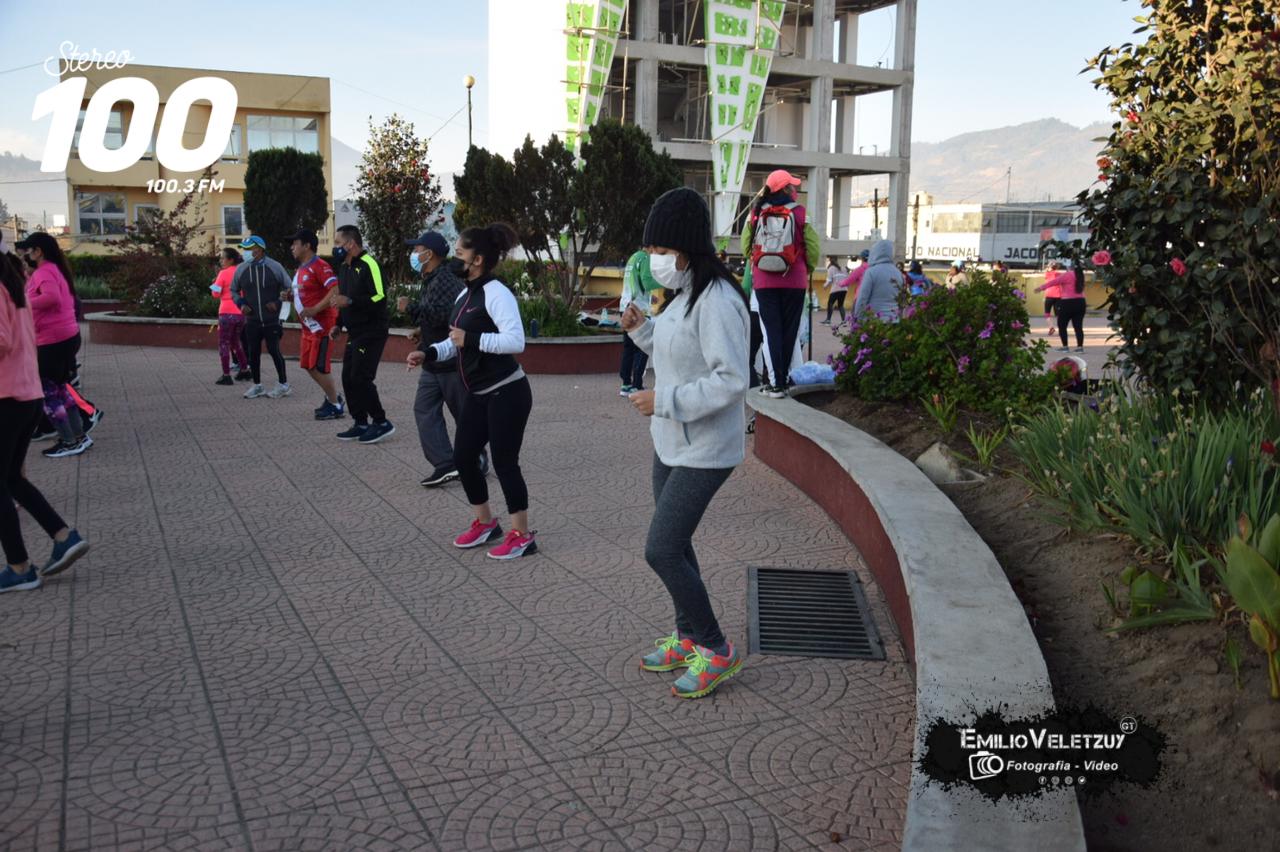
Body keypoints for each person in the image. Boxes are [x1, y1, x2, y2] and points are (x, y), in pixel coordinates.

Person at [620, 187, 749, 699]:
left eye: (659, 251)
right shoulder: (685, 293)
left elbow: (731, 380)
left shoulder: (718, 300)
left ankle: (716, 649)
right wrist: (642, 330)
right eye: (650, 252)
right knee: (677, 545)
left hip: (706, 448)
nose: (653, 261)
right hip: (670, 441)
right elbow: (677, 352)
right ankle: (688, 635)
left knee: (662, 549)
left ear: (686, 247)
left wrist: (664, 400)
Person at [408, 223, 536, 559]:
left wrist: (473, 339)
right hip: (479, 392)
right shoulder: (465, 295)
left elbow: (515, 342)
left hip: (508, 392)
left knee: (505, 463)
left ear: (477, 259)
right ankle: (486, 523)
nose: (455, 257)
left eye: (461, 252)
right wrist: (429, 352)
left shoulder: (497, 294)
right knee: (464, 457)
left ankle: (522, 535)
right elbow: (456, 340)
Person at [0, 251, 90, 593]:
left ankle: (19, 567)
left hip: (7, 396)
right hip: (26, 394)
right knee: (11, 479)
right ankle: (63, 536)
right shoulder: (14, 283)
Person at [741, 169, 821, 399]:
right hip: (794, 281)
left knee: (771, 332)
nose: (795, 189)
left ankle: (776, 383)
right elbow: (813, 249)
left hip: (764, 282)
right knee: (789, 330)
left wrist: (757, 264)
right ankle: (784, 381)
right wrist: (807, 269)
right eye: (792, 186)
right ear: (785, 189)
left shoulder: (756, 213)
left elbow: (747, 246)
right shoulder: (801, 213)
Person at [404, 230, 471, 486]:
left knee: (463, 415)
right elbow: (436, 317)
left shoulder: (446, 278)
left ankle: (477, 457)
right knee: (424, 409)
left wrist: (409, 307)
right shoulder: (431, 277)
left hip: (451, 362)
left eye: (417, 249)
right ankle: (445, 464)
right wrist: (422, 334)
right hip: (432, 360)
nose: (414, 254)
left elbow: (448, 315)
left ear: (429, 253)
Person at [16, 233, 91, 458]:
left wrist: (22, 303)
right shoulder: (53, 269)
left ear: (38, 251)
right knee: (59, 389)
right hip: (63, 337)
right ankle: (79, 437)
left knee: (49, 393)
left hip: (53, 341)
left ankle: (69, 440)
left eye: (28, 251)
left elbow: (52, 298)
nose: (25, 255)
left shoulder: (45, 271)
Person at [332, 226, 395, 444]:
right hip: (355, 331)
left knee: (361, 377)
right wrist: (338, 324)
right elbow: (343, 299)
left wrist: (350, 301)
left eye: (338, 243)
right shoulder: (344, 267)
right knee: (348, 377)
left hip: (372, 331)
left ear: (351, 244)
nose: (335, 247)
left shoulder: (370, 264)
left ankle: (381, 422)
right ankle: (360, 422)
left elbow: (380, 297)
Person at [286, 229, 345, 420]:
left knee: (319, 367)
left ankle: (335, 404)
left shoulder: (320, 265)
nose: (291, 247)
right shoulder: (301, 268)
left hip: (322, 327)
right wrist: (289, 296)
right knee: (308, 365)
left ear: (307, 246)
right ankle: (333, 398)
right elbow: (305, 292)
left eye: (295, 243)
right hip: (308, 329)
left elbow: (334, 290)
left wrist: (315, 309)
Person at [231, 235, 292, 399]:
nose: (246, 252)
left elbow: (289, 287)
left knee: (274, 351)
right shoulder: (241, 269)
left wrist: (278, 302)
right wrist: (241, 304)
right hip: (252, 320)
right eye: (244, 249)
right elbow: (233, 290)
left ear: (260, 249)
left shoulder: (275, 266)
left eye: (249, 249)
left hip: (272, 320)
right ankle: (257, 385)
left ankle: (284, 384)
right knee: (253, 352)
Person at [618, 249, 658, 395]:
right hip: (639, 310)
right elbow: (647, 282)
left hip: (625, 306)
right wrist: (664, 281)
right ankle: (637, 385)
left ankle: (625, 384)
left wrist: (649, 297)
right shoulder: (646, 258)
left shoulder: (633, 257)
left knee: (628, 348)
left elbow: (636, 282)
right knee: (642, 348)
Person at [211, 248, 250, 385]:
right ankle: (245, 369)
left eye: (223, 258)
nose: (221, 261)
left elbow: (215, 294)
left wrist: (215, 281)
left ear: (231, 260)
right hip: (240, 312)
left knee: (224, 344)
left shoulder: (223, 273)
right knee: (236, 342)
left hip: (226, 313)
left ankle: (226, 374)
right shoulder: (242, 272)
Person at [852, 239, 904, 322]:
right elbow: (902, 300)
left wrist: (858, 318)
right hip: (894, 321)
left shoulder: (871, 272)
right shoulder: (898, 273)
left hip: (875, 322)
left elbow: (862, 298)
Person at [1055, 261, 1087, 352]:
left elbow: (1054, 282)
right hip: (1081, 302)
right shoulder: (1081, 275)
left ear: (1069, 268)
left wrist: (1041, 288)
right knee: (1078, 327)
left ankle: (1065, 346)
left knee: (1062, 325)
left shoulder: (1067, 275)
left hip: (1067, 303)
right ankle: (1080, 347)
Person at [1034, 261, 1064, 336]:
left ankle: (1051, 327)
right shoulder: (1059, 274)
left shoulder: (1047, 274)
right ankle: (1061, 329)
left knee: (1047, 313)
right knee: (1059, 315)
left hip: (1049, 296)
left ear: (1050, 267)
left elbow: (1047, 272)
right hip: (1058, 296)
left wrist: (1048, 268)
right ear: (1057, 267)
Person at [821, 255, 848, 325]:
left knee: (830, 303)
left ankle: (828, 320)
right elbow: (847, 279)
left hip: (835, 289)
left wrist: (824, 286)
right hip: (844, 289)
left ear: (830, 261)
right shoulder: (844, 268)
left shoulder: (831, 268)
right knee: (841, 305)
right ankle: (844, 321)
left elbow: (829, 280)